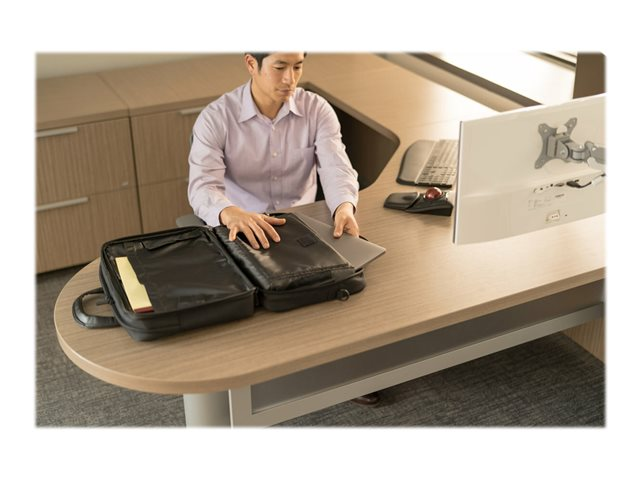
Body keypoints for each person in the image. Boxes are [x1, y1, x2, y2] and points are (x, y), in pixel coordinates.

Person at [188, 52, 379, 406]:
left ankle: (340, 373)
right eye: (279, 67)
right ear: (251, 64)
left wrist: (344, 206)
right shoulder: (217, 117)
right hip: (243, 226)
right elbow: (202, 187)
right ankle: (260, 382)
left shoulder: (316, 109)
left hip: (300, 223)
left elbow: (336, 167)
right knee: (259, 304)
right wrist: (229, 212)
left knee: (342, 284)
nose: (290, 78)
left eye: (297, 66)